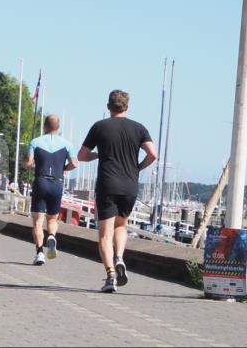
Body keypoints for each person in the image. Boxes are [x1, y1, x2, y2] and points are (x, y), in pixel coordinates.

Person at [78, 90, 157, 292]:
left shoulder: (100, 127)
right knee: (122, 225)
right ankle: (120, 257)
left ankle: (111, 275)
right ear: (127, 107)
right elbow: (153, 154)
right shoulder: (139, 128)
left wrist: (98, 155)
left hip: (107, 184)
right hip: (130, 185)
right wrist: (138, 167)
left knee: (105, 235)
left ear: (108, 107)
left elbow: (81, 156)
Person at [23, 114, 78, 265]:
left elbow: (28, 162)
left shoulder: (35, 142)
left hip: (41, 181)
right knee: (52, 218)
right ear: (58, 127)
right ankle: (52, 236)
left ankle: (39, 253)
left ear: (45, 126)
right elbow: (74, 163)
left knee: (37, 222)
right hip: (57, 183)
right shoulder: (67, 144)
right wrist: (63, 168)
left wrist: (25, 164)